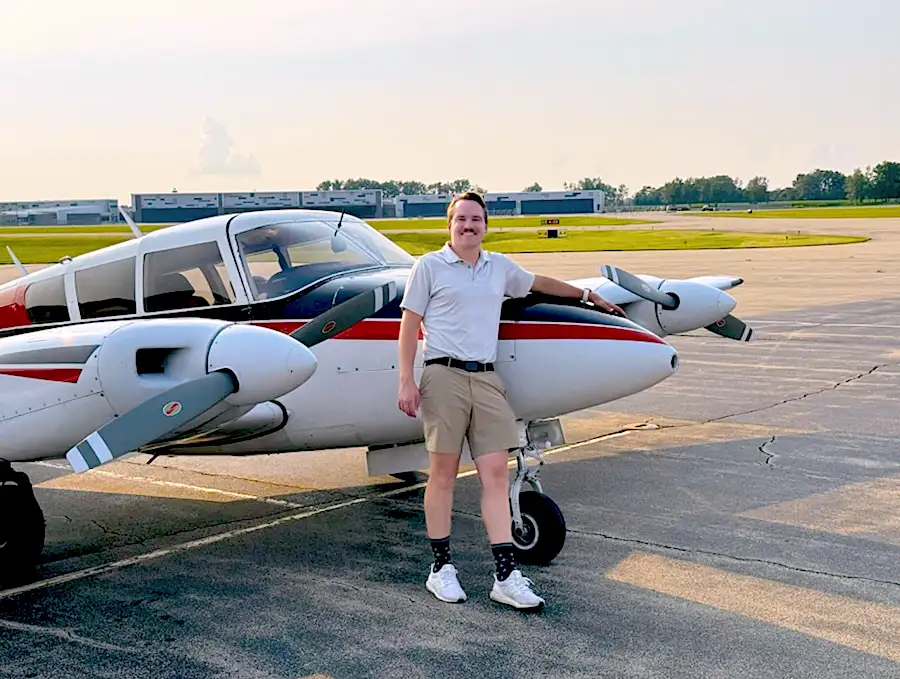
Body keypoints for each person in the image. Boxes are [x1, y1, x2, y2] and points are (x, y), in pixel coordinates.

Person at [397, 191, 625, 609]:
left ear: (485, 226)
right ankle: (441, 568)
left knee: (495, 476)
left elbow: (539, 283)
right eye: (461, 219)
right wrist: (406, 382)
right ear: (449, 225)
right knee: (443, 474)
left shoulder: (498, 267)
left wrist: (587, 296)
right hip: (442, 375)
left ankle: (505, 576)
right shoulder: (428, 266)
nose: (469, 226)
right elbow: (409, 325)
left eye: (476, 220)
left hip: (486, 377)